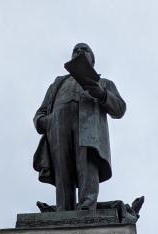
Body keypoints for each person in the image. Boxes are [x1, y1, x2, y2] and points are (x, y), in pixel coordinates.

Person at [33, 43, 126, 211]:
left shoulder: (103, 83)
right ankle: (64, 211)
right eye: (75, 50)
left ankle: (86, 210)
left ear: (92, 60)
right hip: (58, 128)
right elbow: (40, 113)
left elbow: (120, 109)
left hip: (88, 130)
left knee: (87, 167)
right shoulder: (58, 83)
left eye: (84, 49)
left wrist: (102, 94)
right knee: (62, 171)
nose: (79, 51)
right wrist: (46, 121)